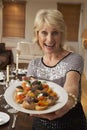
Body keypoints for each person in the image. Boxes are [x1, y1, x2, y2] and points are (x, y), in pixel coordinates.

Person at [26, 9, 86, 130]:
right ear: (37, 35)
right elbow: (31, 93)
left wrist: (65, 104)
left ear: (61, 34)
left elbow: (71, 86)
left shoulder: (74, 59)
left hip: (71, 122)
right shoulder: (33, 64)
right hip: (40, 124)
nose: (49, 39)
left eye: (55, 33)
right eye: (44, 32)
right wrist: (26, 91)